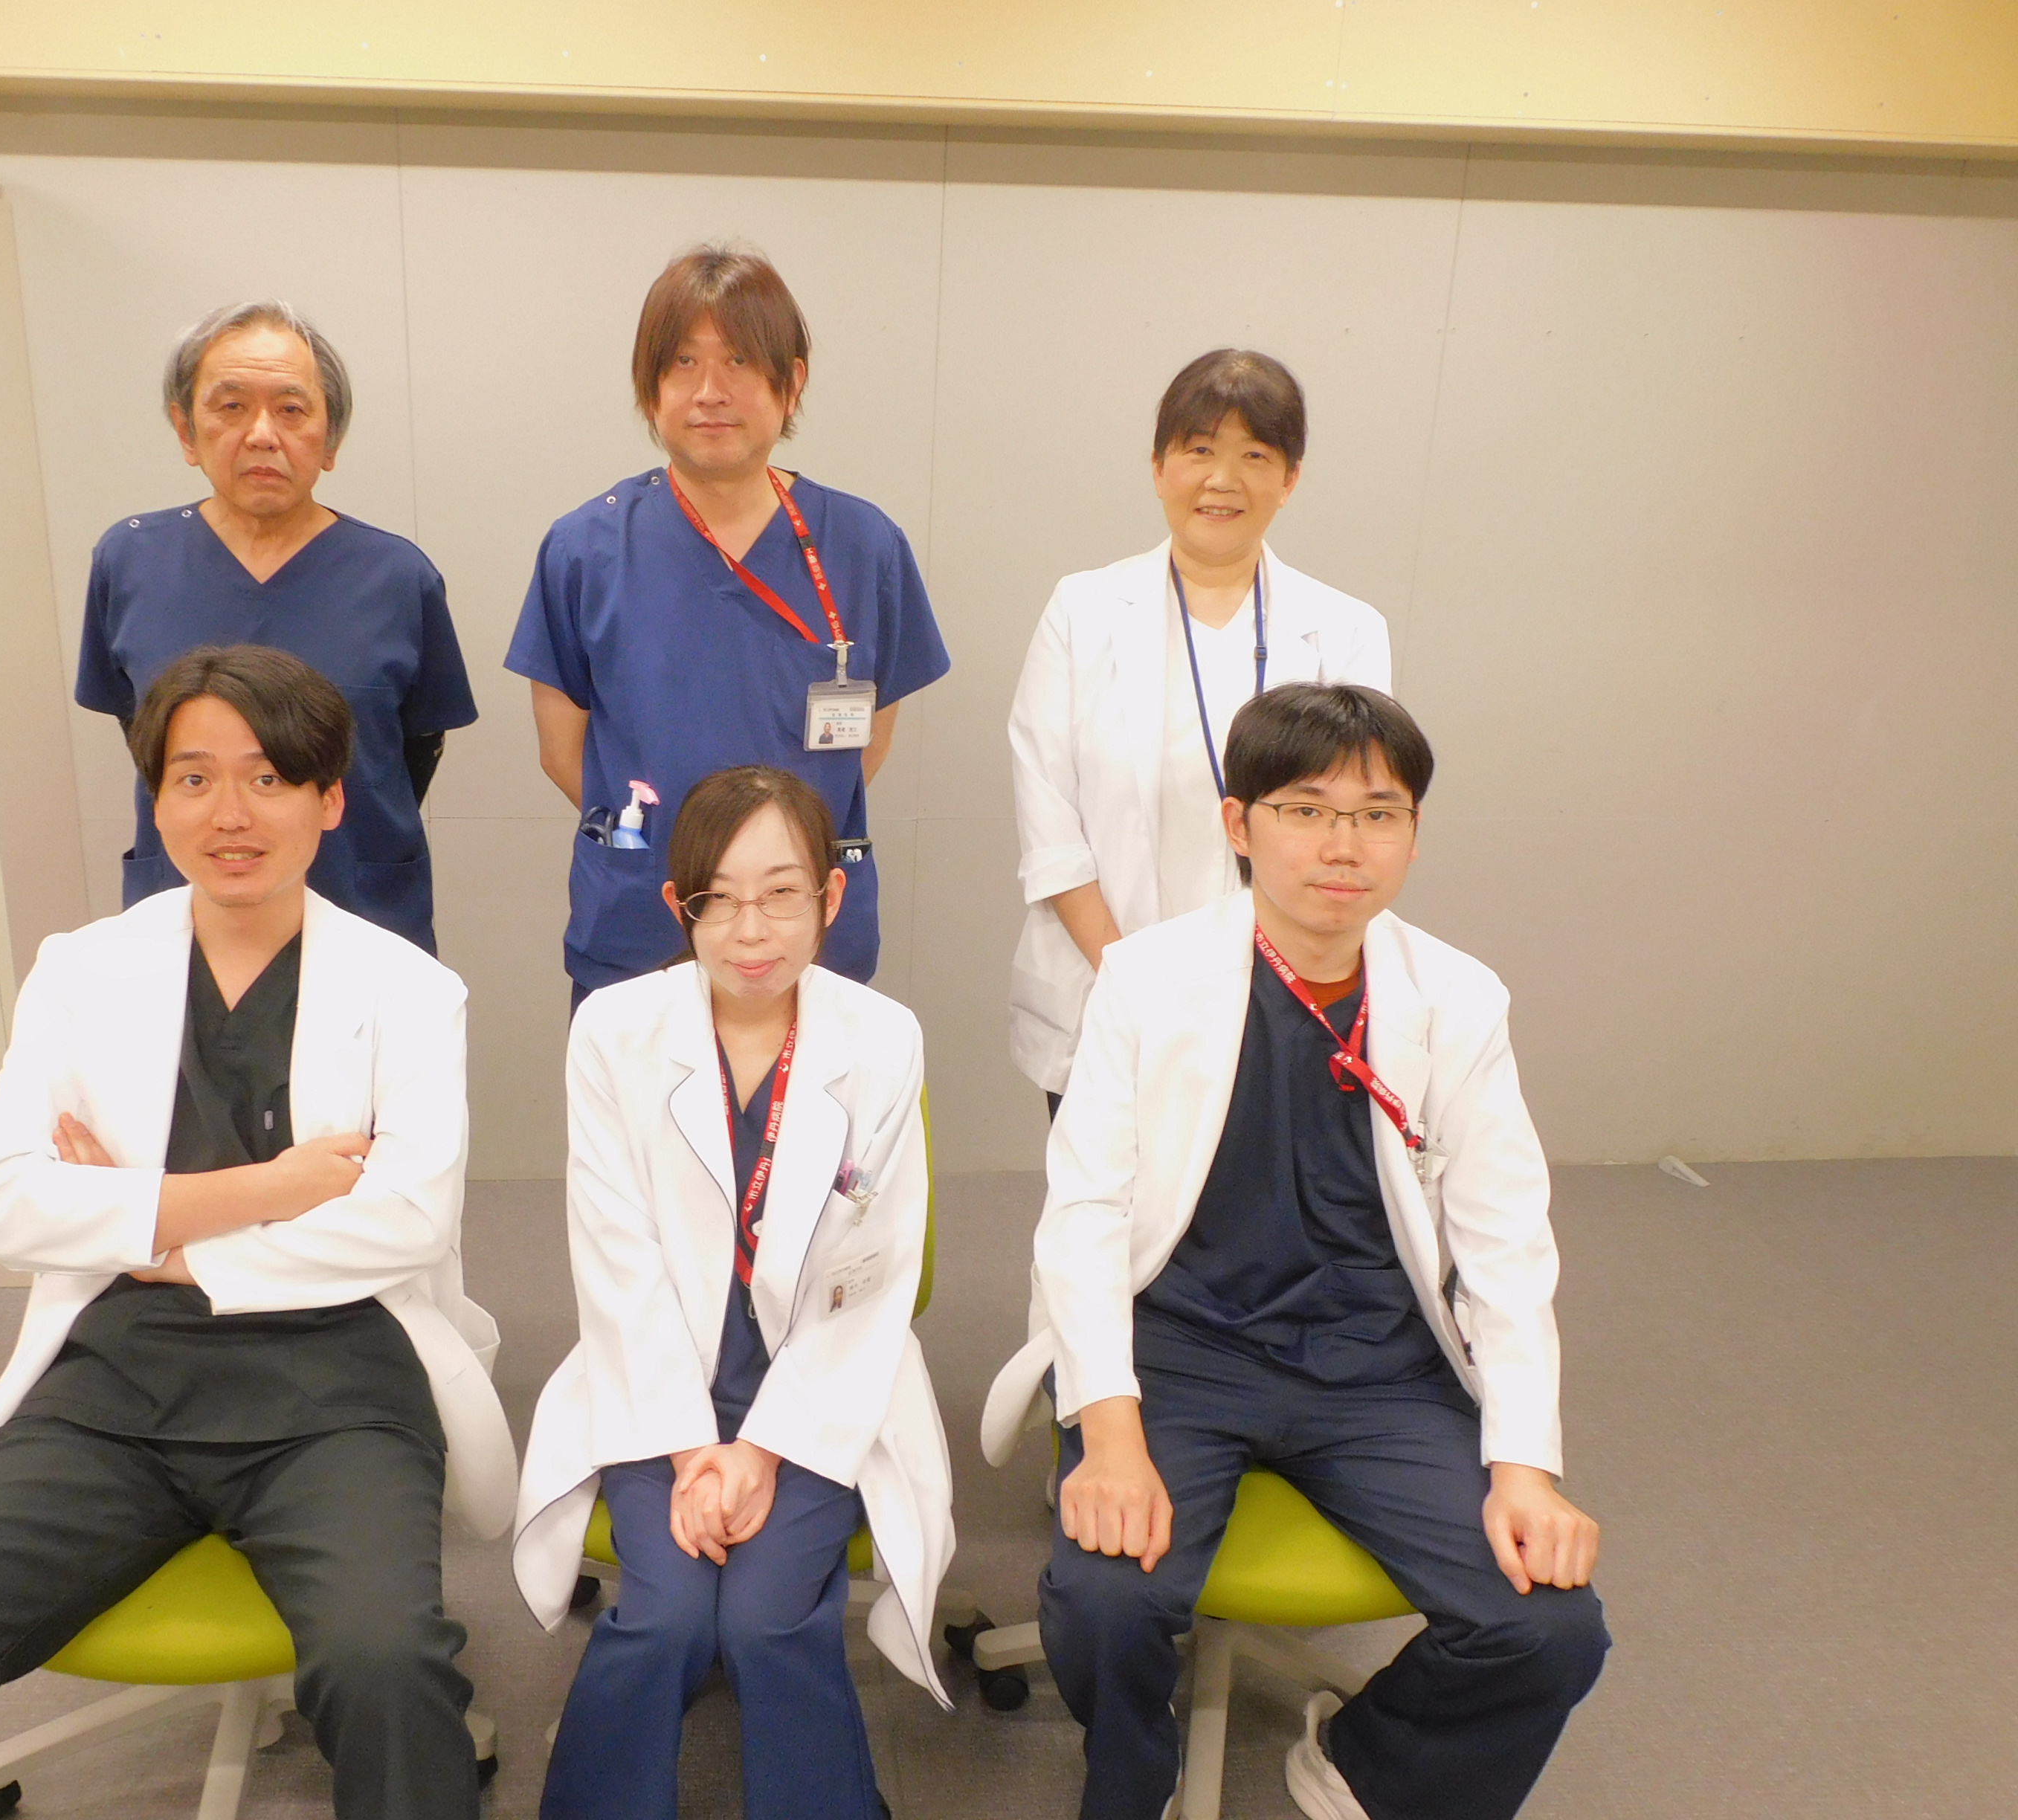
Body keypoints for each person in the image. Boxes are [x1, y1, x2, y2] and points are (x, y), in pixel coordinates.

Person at [0, 646, 515, 1820]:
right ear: (157, 800)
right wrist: (272, 1186)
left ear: (330, 800)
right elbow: (9, 1205)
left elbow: (405, 1221)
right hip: (117, 1387)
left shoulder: (409, 989)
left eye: (269, 778)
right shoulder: (83, 972)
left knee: (389, 1673)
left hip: (337, 1384)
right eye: (194, 778)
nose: (230, 814)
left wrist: (140, 1225)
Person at [981, 684, 1608, 1820]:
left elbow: (1508, 1241)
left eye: (1377, 814)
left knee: (1549, 1627)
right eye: (1307, 810)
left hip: (1380, 1365)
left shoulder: (1457, 999)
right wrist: (1108, 1435)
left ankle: (1369, 1763)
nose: (1342, 845)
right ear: (1239, 824)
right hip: (1183, 1350)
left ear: (1414, 831)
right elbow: (1084, 1214)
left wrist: (1526, 1466)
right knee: (1105, 1605)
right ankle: (1132, 1784)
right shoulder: (1149, 981)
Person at [512, 766, 955, 1820]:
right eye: (720, 900)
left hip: (820, 1384)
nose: (751, 931)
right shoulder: (614, 1032)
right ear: (681, 906)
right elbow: (616, 1259)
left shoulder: (881, 1038)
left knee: (765, 1618)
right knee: (666, 1616)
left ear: (831, 897)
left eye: (783, 895)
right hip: (656, 1379)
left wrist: (760, 1451)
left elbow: (872, 1276)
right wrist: (690, 1450)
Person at [505, 245, 950, 1008]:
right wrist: (677, 846)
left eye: (739, 360)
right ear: (649, 388)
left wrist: (768, 868)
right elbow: (561, 751)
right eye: (683, 362)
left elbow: (868, 744)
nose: (710, 391)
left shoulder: (864, 546)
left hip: (810, 942)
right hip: (641, 933)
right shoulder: (586, 549)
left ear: (792, 381)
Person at [1008, 349, 1390, 1109]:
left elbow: (1350, 827)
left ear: (1290, 479)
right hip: (1105, 986)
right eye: (1200, 450)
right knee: (1108, 1186)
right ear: (1158, 468)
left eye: (1255, 456)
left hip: (1282, 994)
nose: (1223, 479)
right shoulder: (1083, 612)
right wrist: (1135, 987)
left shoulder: (1346, 631)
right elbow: (1051, 832)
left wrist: (1257, 988)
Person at [77, 300, 477, 956]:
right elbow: (143, 734)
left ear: (332, 439)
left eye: (292, 410)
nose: (262, 434)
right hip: (188, 915)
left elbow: (415, 748)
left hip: (360, 907)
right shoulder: (129, 561)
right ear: (185, 430)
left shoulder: (398, 576)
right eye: (231, 406)